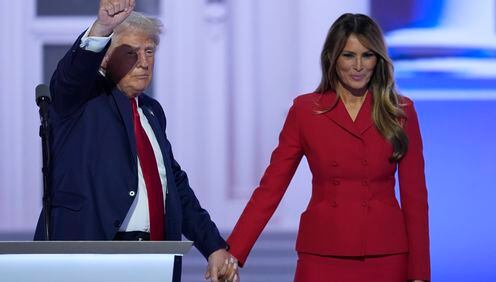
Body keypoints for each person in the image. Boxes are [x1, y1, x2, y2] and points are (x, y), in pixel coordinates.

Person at [33, 1, 238, 281]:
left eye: (149, 51)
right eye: (131, 53)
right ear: (105, 58)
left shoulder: (151, 111)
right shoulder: (82, 100)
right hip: (93, 256)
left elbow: (174, 185)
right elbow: (71, 76)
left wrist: (213, 246)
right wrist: (103, 27)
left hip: (154, 258)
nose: (143, 61)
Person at [224, 13, 430, 282]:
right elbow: (270, 189)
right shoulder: (306, 111)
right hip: (322, 255)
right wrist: (233, 253)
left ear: (378, 59)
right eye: (348, 55)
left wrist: (420, 274)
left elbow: (416, 200)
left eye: (367, 55)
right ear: (332, 58)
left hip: (386, 256)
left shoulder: (400, 111)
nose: (358, 66)